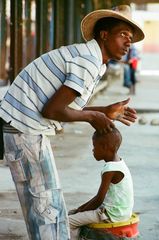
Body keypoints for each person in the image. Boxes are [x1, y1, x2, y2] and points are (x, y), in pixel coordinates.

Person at [0, 4, 144, 240]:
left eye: (130, 38)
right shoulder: (87, 60)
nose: (128, 43)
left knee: (43, 206)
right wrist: (93, 116)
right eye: (123, 35)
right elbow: (54, 110)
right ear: (104, 35)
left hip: (22, 126)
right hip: (24, 129)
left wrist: (103, 111)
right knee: (47, 207)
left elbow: (61, 107)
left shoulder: (94, 61)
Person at [69, 128, 134, 240]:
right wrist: (80, 209)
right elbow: (99, 197)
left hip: (110, 215)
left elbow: (99, 199)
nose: (93, 150)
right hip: (122, 213)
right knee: (74, 212)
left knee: (67, 222)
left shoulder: (109, 169)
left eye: (94, 146)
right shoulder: (119, 163)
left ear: (104, 147)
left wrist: (81, 211)